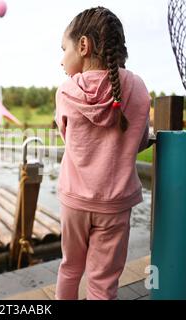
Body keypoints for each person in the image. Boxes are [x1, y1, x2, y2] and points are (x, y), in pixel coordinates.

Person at [54, 6, 152, 300]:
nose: (61, 60)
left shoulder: (65, 92)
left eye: (64, 49)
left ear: (83, 46)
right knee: (103, 282)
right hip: (116, 203)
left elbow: (67, 137)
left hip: (74, 201)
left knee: (70, 268)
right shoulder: (137, 88)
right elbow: (140, 139)